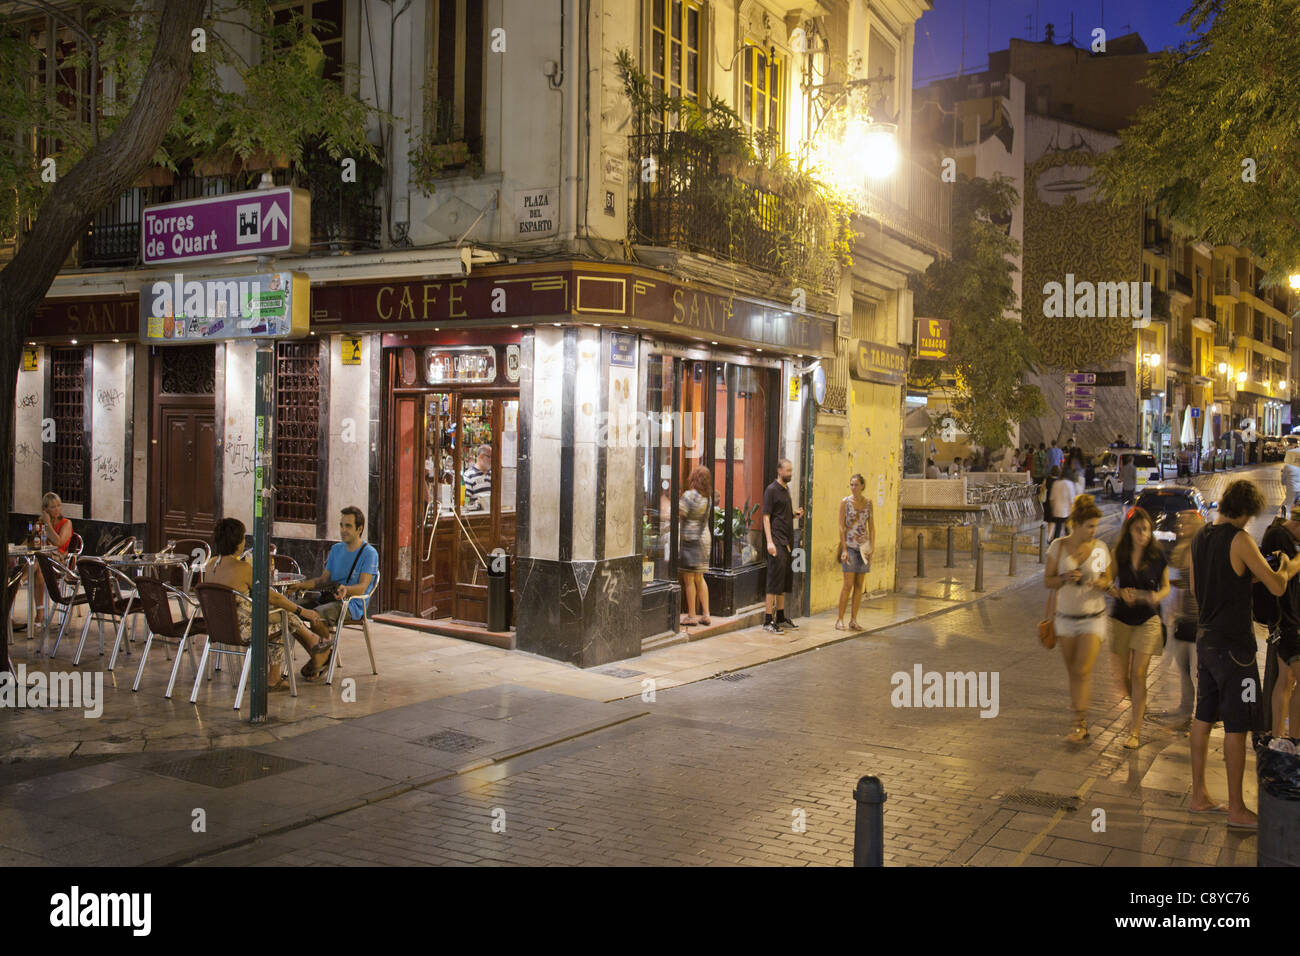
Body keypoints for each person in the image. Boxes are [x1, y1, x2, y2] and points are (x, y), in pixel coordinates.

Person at [1190, 479, 1299, 828]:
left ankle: (1199, 796)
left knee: (1203, 716)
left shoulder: (1200, 537)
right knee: (1238, 725)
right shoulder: (1240, 539)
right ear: (1247, 512)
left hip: (1205, 642)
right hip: (1236, 651)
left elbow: (1199, 587)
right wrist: (1286, 565)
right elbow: (1277, 585)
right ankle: (1237, 808)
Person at [203, 518, 333, 689]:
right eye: (243, 538)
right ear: (237, 542)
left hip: (219, 628)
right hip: (242, 631)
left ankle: (314, 645)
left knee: (279, 612)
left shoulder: (211, 564)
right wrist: (302, 611)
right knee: (282, 618)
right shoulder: (242, 569)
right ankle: (275, 677)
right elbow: (273, 597)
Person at [1044, 494, 1112, 742]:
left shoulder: (1100, 549)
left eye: (1096, 526)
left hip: (1093, 617)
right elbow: (1048, 581)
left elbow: (1108, 579)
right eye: (1090, 526)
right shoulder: (1058, 547)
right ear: (1076, 525)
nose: (1094, 531)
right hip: (1065, 618)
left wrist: (1101, 583)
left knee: (1083, 670)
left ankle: (1079, 724)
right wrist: (1064, 578)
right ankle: (1078, 719)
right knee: (1073, 671)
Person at [1106, 507, 1170, 749]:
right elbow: (1106, 581)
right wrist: (1118, 592)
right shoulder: (1119, 554)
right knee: (1124, 678)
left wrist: (1156, 597)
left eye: (1146, 529)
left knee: (1139, 673)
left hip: (1148, 619)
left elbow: (1166, 587)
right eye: (1138, 529)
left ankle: (1135, 731)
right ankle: (1138, 706)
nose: (1143, 533)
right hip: (1121, 618)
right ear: (1129, 531)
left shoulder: (1157, 556)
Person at [283, 506, 380, 654]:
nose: (343, 530)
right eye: (341, 525)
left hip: (352, 603)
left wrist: (346, 589)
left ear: (359, 529)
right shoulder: (336, 550)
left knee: (316, 615)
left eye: (348, 526)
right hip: (328, 598)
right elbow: (322, 580)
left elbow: (362, 587)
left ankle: (323, 654)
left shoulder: (369, 553)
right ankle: (319, 653)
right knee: (287, 609)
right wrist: (300, 585)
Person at [1262, 505, 1300, 737]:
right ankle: (1294, 740)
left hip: (1289, 618)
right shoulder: (1278, 536)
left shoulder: (1282, 535)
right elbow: (1284, 575)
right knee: (1289, 680)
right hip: (1287, 619)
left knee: (1286, 679)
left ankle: (1279, 737)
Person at [1168, 510, 1205, 723]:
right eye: (1180, 523)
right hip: (1184, 619)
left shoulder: (1202, 550)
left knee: (1197, 671)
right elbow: (1179, 586)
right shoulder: (1181, 550)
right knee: (1183, 667)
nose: (1182, 527)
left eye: (1187, 523)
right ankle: (1185, 708)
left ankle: (1199, 713)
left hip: (1200, 619)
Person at [761, 458, 803, 634]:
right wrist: (770, 542)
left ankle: (780, 616)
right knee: (773, 582)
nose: (790, 474)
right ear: (779, 471)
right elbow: (766, 517)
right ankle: (768, 620)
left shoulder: (785, 490)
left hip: (787, 542)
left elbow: (782, 514)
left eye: (791, 470)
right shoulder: (771, 490)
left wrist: (794, 514)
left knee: (784, 582)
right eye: (787, 471)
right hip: (776, 541)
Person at [29, 492, 74, 627]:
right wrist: (38, 528)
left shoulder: (66, 523)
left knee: (37, 562)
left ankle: (20, 581)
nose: (57, 509)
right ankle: (40, 613)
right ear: (45, 510)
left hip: (60, 562)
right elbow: (32, 543)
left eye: (58, 506)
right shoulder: (40, 523)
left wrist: (47, 524)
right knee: (39, 572)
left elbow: (59, 542)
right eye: (53, 507)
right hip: (45, 562)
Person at [836, 473, 874, 631]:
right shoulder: (845, 502)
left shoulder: (868, 503)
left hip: (863, 548)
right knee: (848, 584)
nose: (853, 487)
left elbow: (871, 526)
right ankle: (839, 619)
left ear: (863, 486)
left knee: (859, 585)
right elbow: (840, 526)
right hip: (850, 547)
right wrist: (844, 549)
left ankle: (853, 619)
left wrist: (872, 546)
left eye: (856, 484)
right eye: (851, 484)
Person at [678, 466, 713, 628]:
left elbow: (679, 513)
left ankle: (691, 615)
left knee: (689, 579)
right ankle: (706, 614)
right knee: (700, 577)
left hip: (691, 541)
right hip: (704, 538)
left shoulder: (689, 496)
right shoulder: (708, 498)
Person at [1048, 465, 1075, 542]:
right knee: (1067, 530)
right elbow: (1072, 500)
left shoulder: (1056, 483)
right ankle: (1069, 544)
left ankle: (1054, 544)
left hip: (1057, 510)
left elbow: (1051, 498)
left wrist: (1053, 508)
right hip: (1066, 511)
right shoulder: (1069, 484)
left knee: (1057, 530)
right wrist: (1072, 511)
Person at [462, 445, 492, 511]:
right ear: (481, 456)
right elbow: (465, 500)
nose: (492, 460)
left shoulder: (492, 475)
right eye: (489, 457)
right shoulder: (469, 475)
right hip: (477, 516)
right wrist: (474, 504)